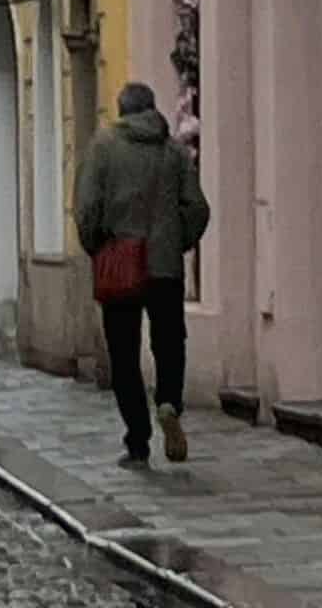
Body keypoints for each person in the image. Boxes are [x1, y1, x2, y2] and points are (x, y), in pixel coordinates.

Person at [75, 80, 210, 470]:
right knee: (169, 341)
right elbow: (197, 208)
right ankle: (168, 401)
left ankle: (137, 439)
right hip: (165, 266)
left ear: (121, 111)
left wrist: (98, 247)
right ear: (152, 109)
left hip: (120, 263)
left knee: (124, 354)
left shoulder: (103, 148)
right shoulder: (174, 152)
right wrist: (177, 241)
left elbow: (87, 208)